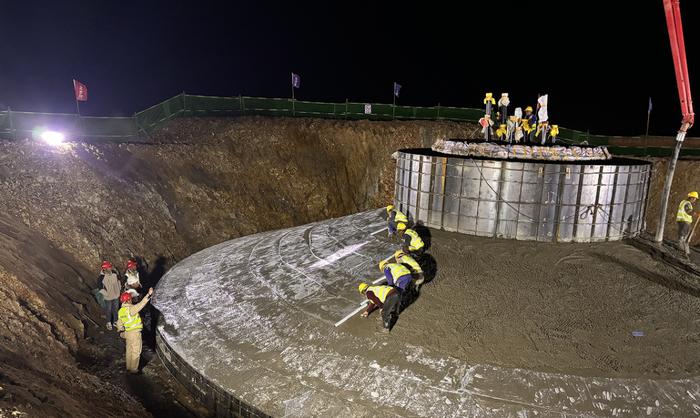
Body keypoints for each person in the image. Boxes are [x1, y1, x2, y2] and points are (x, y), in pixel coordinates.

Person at [117, 287, 154, 374]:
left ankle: (128, 367)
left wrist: (121, 331)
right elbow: (141, 304)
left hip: (128, 333)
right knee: (136, 351)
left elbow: (119, 324)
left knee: (129, 350)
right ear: (129, 300)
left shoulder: (121, 311)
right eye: (131, 299)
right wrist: (149, 294)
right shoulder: (131, 309)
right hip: (135, 333)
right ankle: (133, 370)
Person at [98, 261, 121, 330]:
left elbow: (118, 281)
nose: (110, 268)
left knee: (116, 309)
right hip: (108, 297)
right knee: (108, 310)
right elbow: (100, 287)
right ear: (104, 269)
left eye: (110, 267)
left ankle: (115, 321)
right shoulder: (101, 277)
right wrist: (106, 294)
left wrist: (119, 289)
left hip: (116, 295)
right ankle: (108, 322)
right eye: (109, 267)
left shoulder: (114, 274)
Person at [676, 191, 698, 256]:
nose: (695, 200)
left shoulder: (683, 202)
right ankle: (683, 251)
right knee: (683, 237)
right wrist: (696, 214)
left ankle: (682, 250)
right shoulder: (687, 203)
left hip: (681, 220)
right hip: (685, 221)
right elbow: (688, 211)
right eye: (694, 199)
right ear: (691, 197)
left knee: (682, 235)